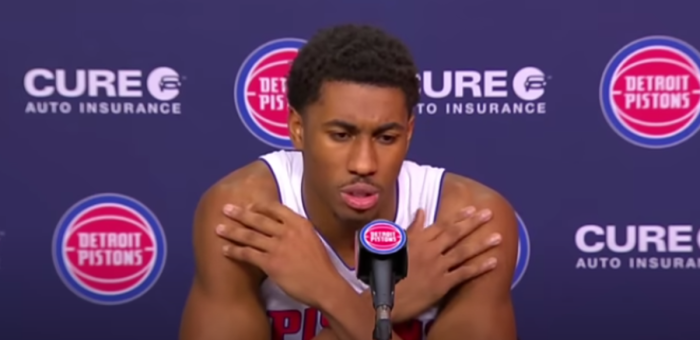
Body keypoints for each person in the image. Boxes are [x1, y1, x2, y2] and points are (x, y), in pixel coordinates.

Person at [179, 24, 519, 340]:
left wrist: (329, 292)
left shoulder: (467, 221)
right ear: (298, 129)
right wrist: (385, 306)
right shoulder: (245, 213)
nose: (364, 164)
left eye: (386, 138)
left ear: (409, 132)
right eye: (341, 135)